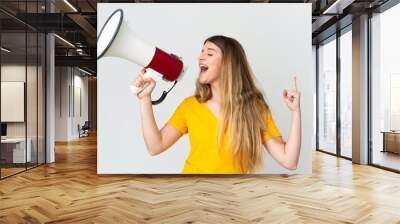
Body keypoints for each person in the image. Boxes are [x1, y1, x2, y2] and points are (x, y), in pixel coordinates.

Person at [133, 35, 301, 174]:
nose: (201, 57)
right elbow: (155, 146)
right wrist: (144, 99)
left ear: (228, 63)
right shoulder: (190, 106)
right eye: (201, 52)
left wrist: (295, 112)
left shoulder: (255, 108)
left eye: (210, 53)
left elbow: (289, 161)